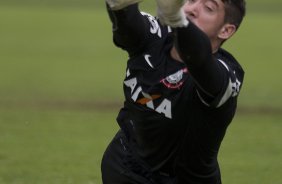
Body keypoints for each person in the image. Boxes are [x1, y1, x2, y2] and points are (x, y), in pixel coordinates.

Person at [101, 0, 246, 183]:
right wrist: (119, 7)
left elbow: (199, 60)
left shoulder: (227, 74)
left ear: (225, 30)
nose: (193, 9)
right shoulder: (156, 35)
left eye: (208, 8)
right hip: (125, 165)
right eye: (192, 0)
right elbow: (129, 30)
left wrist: (177, 20)